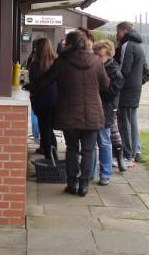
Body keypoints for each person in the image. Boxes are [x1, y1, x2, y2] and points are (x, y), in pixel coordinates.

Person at [30, 30, 109, 197]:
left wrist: (31, 88)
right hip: (93, 113)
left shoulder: (62, 62)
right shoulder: (96, 61)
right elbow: (105, 84)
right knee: (88, 151)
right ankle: (84, 185)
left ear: (71, 44)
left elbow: (45, 81)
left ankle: (72, 183)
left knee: (72, 149)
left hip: (69, 112)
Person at [114, 21, 149, 165]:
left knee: (125, 124)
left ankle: (127, 156)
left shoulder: (127, 46)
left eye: (117, 32)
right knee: (132, 123)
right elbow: (146, 72)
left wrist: (116, 86)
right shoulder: (139, 46)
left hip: (126, 91)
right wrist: (136, 83)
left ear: (123, 31)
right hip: (134, 90)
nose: (116, 35)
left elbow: (124, 70)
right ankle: (133, 153)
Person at [91, 40, 125, 185]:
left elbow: (111, 93)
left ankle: (105, 174)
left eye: (100, 55)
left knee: (104, 142)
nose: (97, 57)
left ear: (109, 55)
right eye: (95, 54)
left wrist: (96, 86)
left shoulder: (115, 72)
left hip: (105, 111)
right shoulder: (95, 67)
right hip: (93, 110)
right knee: (91, 144)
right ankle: (90, 172)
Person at [27, 38, 58, 160]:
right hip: (54, 101)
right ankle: (54, 158)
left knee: (45, 131)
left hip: (41, 101)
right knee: (49, 130)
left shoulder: (35, 64)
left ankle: (49, 160)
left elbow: (34, 83)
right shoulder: (56, 61)